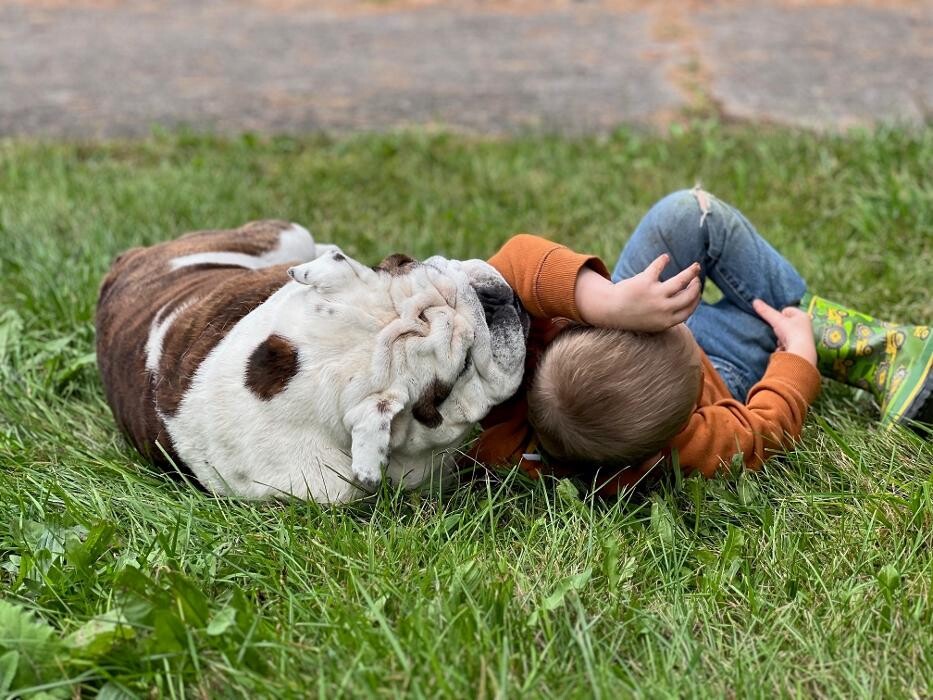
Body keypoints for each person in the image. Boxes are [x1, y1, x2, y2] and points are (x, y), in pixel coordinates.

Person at [471, 187, 931, 495]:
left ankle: (862, 343)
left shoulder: (519, 367)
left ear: (569, 333)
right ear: (682, 423)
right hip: (726, 369)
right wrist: (797, 359)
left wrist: (606, 302)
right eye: (680, 331)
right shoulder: (681, 451)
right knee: (775, 331)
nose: (682, 321)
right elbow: (764, 431)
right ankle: (869, 349)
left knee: (688, 214)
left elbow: (510, 266)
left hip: (613, 320)